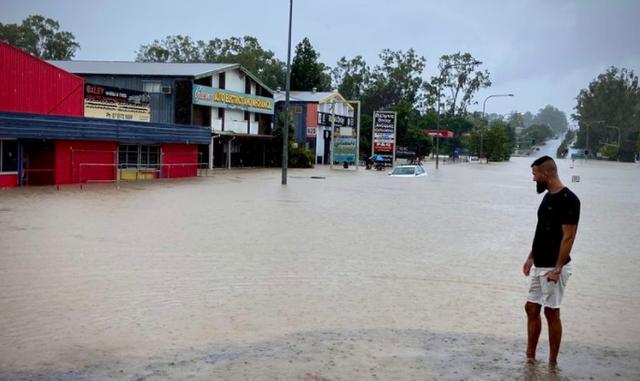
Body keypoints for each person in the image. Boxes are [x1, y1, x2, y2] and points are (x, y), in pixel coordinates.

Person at [523, 156, 580, 366]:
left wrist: (557, 269)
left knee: (551, 311)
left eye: (535, 174)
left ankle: (552, 363)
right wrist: (530, 257)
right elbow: (542, 230)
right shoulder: (547, 197)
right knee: (531, 307)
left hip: (555, 266)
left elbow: (568, 236)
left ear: (545, 174)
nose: (533, 179)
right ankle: (530, 357)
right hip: (539, 262)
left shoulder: (569, 199)